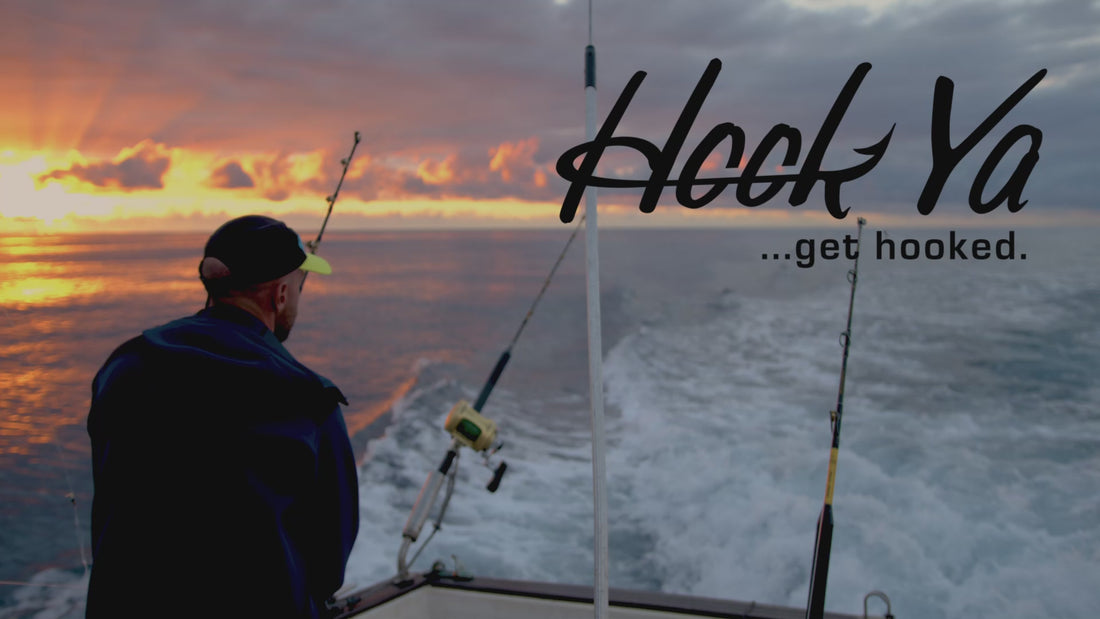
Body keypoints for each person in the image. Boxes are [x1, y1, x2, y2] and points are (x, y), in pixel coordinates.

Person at [86, 215, 359, 618]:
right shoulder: (308, 400)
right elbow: (328, 565)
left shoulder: (124, 368)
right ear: (282, 294)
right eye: (299, 286)